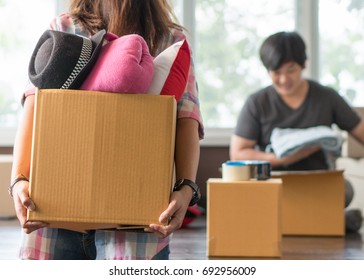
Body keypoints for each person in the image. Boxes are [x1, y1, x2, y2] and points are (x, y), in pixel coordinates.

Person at [10, 0, 204, 260]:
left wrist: (186, 189)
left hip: (137, 224)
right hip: (52, 218)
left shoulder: (171, 39)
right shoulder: (65, 27)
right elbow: (35, 105)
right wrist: (18, 180)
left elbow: (186, 118)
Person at [230, 31, 364, 231]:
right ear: (267, 70)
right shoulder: (257, 102)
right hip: (274, 184)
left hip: (318, 184)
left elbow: (360, 131)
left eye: (291, 70)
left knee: (346, 190)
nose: (284, 79)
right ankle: (332, 221)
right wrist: (284, 159)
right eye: (276, 72)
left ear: (303, 64)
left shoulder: (327, 97)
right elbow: (238, 153)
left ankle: (301, 221)